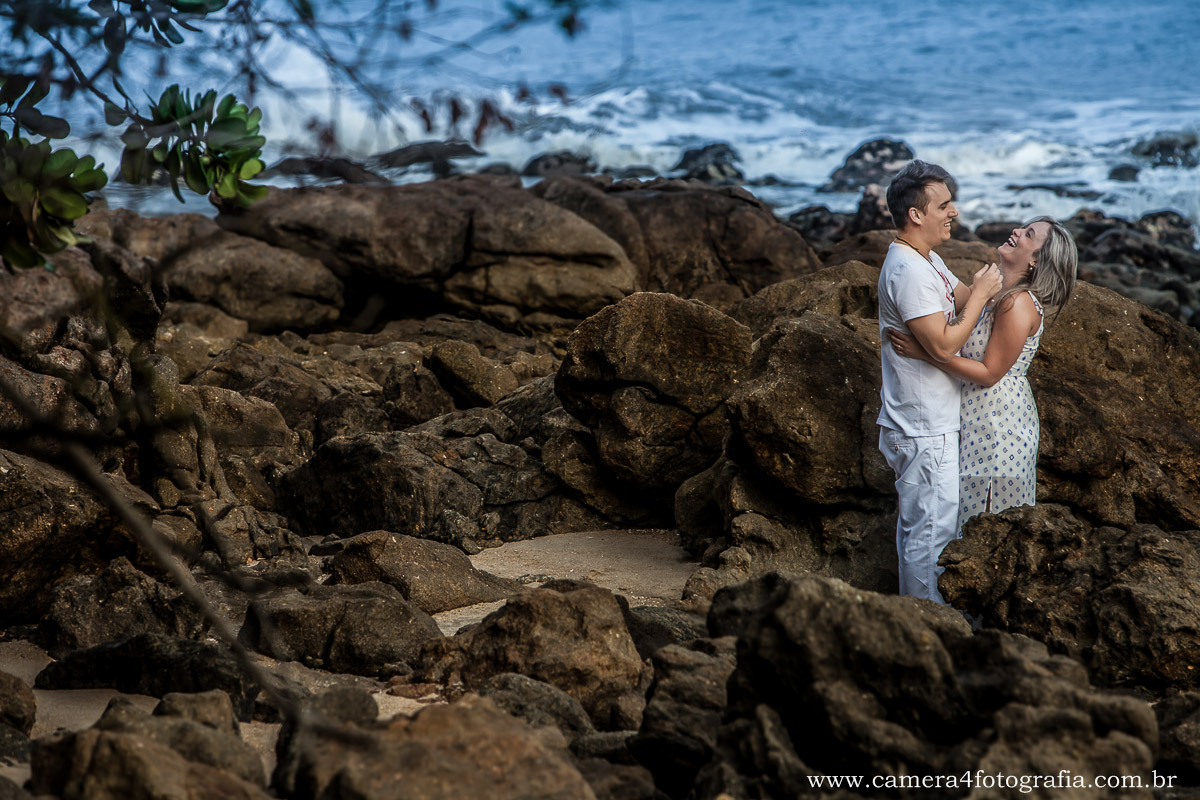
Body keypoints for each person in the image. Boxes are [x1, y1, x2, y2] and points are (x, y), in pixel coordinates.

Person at [888, 216, 1078, 534]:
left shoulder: (1017, 304)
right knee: (967, 520)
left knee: (988, 526)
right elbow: (948, 289)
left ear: (1035, 261)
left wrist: (928, 354)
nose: (1016, 231)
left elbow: (990, 373)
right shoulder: (996, 297)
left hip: (998, 427)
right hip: (978, 419)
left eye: (1029, 234)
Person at [876, 160, 1003, 604]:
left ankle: (919, 624)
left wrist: (1009, 283)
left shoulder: (926, 259)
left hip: (929, 420)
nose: (954, 212)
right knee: (928, 537)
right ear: (916, 214)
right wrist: (983, 295)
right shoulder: (907, 271)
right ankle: (924, 629)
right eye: (944, 205)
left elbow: (966, 302)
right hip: (921, 425)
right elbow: (945, 346)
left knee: (926, 531)